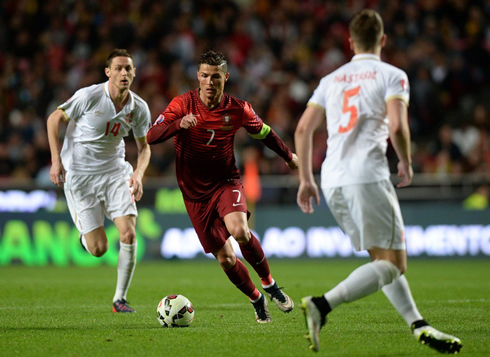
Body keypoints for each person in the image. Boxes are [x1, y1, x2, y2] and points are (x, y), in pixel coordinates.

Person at [294, 10, 462, 354]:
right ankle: (321, 305)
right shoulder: (392, 75)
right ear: (383, 40)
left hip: (332, 179)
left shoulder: (331, 80)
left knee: (381, 260)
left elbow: (302, 129)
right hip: (367, 175)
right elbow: (398, 127)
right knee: (395, 263)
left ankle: (418, 324)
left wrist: (305, 180)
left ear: (350, 42)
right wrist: (406, 160)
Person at [147, 50, 299, 323]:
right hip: (194, 194)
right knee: (226, 259)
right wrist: (178, 124)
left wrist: (288, 156)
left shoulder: (238, 108)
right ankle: (257, 299)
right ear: (198, 76)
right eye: (204, 75)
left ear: (225, 77)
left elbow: (264, 132)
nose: (209, 81)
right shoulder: (182, 104)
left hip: (225, 182)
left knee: (240, 230)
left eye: (215, 76)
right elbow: (151, 135)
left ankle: (269, 284)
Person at [47, 49, 151, 313]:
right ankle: (85, 237)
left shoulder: (138, 107)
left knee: (128, 232)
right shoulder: (89, 96)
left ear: (134, 72)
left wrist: (138, 174)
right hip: (80, 177)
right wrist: (56, 160)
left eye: (128, 68)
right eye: (118, 68)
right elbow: (53, 119)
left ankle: (120, 299)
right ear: (108, 72)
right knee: (99, 249)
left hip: (116, 172)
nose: (123, 73)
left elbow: (145, 147)